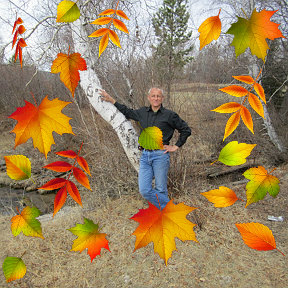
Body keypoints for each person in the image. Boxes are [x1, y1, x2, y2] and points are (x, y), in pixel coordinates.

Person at [100, 87, 191, 210]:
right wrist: (111, 100)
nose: (156, 98)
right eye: (153, 96)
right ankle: (173, 210)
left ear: (162, 98)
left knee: (160, 189)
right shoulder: (142, 113)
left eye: (158, 96)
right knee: (144, 190)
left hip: (160, 155)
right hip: (145, 156)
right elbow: (127, 112)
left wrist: (175, 146)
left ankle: (165, 216)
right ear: (149, 98)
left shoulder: (170, 115)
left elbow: (186, 130)